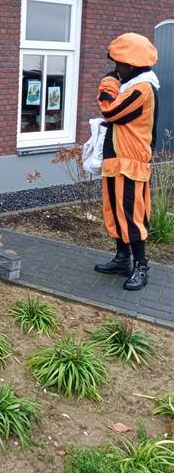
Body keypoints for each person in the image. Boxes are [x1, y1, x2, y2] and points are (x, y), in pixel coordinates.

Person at [94, 32, 160, 291]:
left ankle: (141, 266)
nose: (116, 70)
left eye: (118, 65)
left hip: (130, 164)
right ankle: (123, 259)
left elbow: (111, 110)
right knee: (115, 211)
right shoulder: (133, 85)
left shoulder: (142, 89)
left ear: (131, 66)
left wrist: (108, 83)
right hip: (118, 161)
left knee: (132, 216)